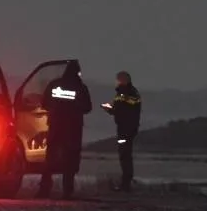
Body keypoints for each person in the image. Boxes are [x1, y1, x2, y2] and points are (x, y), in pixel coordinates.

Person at [38, 61, 92, 199]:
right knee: (70, 160)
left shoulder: (54, 84)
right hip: (73, 129)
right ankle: (67, 191)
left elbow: (44, 103)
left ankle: (44, 190)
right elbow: (87, 108)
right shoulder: (80, 87)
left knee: (50, 158)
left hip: (56, 126)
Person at [101, 70, 142, 192]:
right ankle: (126, 182)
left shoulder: (127, 93)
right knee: (125, 155)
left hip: (126, 129)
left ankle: (126, 184)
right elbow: (121, 109)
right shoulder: (128, 93)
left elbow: (122, 111)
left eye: (118, 80)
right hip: (126, 127)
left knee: (125, 155)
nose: (116, 82)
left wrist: (110, 109)